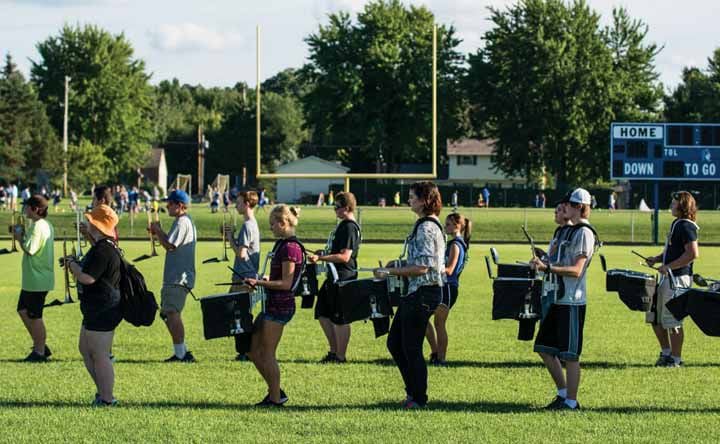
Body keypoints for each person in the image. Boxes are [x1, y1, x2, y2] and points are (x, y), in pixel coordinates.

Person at [374, 181, 445, 409]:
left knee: (410, 347)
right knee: (396, 343)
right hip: (416, 291)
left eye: (413, 196)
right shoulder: (424, 225)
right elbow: (418, 263)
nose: (409, 200)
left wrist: (390, 271)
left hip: (424, 292)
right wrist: (398, 263)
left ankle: (418, 398)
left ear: (425, 200)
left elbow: (423, 268)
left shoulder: (425, 228)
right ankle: (412, 392)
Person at [530, 188, 596, 411]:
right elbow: (558, 260)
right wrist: (544, 261)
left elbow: (577, 270)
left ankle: (571, 402)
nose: (563, 207)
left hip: (571, 301)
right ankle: (563, 393)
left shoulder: (584, 233)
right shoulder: (567, 231)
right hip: (557, 298)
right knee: (544, 348)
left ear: (579, 207)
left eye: (568, 204)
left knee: (570, 355)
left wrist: (548, 266)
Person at [244, 205, 304, 407]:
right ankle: (275, 390)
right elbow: (281, 278)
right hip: (271, 304)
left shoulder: (290, 248)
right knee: (251, 350)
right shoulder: (281, 245)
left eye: (272, 225)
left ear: (283, 223)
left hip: (281, 306)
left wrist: (259, 282)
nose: (271, 229)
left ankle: (276, 398)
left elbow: (286, 284)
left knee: (267, 353)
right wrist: (267, 278)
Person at [65, 205, 122, 406]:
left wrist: (71, 264)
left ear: (97, 225)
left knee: (100, 354)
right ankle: (103, 392)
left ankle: (107, 398)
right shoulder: (102, 245)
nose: (87, 223)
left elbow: (88, 278)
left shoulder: (105, 249)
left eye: (90, 221)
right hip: (95, 307)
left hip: (104, 308)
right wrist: (87, 236)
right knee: (86, 349)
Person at [644, 191, 699, 367]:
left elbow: (692, 254)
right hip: (668, 278)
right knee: (656, 318)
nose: (671, 204)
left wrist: (668, 267)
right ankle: (666, 353)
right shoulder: (677, 224)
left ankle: (675, 359)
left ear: (682, 205)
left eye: (674, 202)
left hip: (678, 279)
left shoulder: (686, 226)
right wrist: (658, 259)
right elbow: (674, 251)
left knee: (673, 320)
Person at [308, 192, 361, 364]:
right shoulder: (343, 226)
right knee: (322, 312)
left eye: (337, 207)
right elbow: (336, 252)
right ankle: (333, 351)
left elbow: (345, 256)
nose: (335, 210)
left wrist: (321, 258)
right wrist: (323, 253)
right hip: (333, 276)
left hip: (343, 277)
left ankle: (340, 356)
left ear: (347, 208)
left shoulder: (349, 227)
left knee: (340, 318)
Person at [150, 190, 198, 363]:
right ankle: (182, 351)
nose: (167, 206)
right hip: (176, 276)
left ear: (179, 205)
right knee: (167, 313)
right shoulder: (183, 221)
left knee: (171, 312)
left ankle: (182, 354)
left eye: (170, 203)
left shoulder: (182, 222)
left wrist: (158, 230)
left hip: (178, 277)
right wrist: (159, 232)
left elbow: (170, 245)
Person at [425, 212, 471, 366]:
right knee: (426, 318)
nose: (445, 227)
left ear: (458, 226)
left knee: (439, 323)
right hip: (443, 287)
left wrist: (431, 269)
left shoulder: (456, 245)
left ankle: (441, 357)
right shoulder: (453, 243)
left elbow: (450, 270)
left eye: (449, 224)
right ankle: (435, 352)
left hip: (448, 288)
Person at [15, 195, 55, 362]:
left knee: (34, 315)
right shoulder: (43, 225)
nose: (24, 209)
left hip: (37, 279)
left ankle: (39, 351)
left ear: (35, 209)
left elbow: (30, 249)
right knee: (23, 310)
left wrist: (19, 238)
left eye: (27, 206)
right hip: (34, 279)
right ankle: (40, 344)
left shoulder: (38, 226)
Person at [224, 190, 261, 361]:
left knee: (239, 315)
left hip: (244, 277)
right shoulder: (252, 224)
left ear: (246, 203)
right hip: (246, 276)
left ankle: (246, 352)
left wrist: (230, 237)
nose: (236, 206)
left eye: (238, 202)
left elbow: (241, 254)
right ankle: (245, 351)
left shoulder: (247, 225)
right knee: (240, 314)